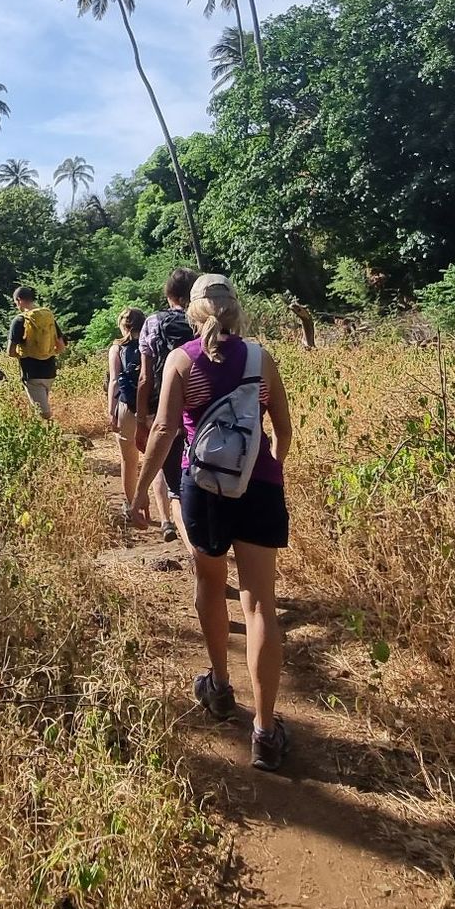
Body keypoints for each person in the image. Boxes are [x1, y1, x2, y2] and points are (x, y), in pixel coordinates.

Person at [135, 273, 293, 772]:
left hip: (202, 489)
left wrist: (139, 493)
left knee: (209, 580)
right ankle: (266, 734)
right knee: (259, 603)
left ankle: (221, 689)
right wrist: (268, 471)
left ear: (194, 314)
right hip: (259, 487)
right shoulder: (260, 358)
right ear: (235, 310)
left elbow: (162, 430)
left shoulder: (182, 361)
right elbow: (283, 428)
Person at [132, 267, 198, 545]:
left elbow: (146, 377)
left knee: (176, 489)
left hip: (164, 409)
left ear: (168, 293)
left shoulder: (153, 322)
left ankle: (199, 557)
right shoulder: (205, 321)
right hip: (201, 410)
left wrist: (140, 420)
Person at [106, 306, 146, 515]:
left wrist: (111, 412)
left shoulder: (117, 348)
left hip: (126, 406)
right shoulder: (152, 344)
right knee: (154, 458)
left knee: (129, 460)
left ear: (123, 325)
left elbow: (114, 381)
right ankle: (164, 508)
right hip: (151, 407)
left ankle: (132, 506)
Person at [6, 284, 65, 420]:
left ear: (19, 300)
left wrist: (25, 353)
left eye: (16, 303)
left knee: (42, 415)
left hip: (31, 373)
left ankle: (51, 437)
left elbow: (10, 351)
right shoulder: (48, 317)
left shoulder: (20, 320)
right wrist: (46, 353)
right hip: (50, 372)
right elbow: (61, 347)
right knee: (40, 408)